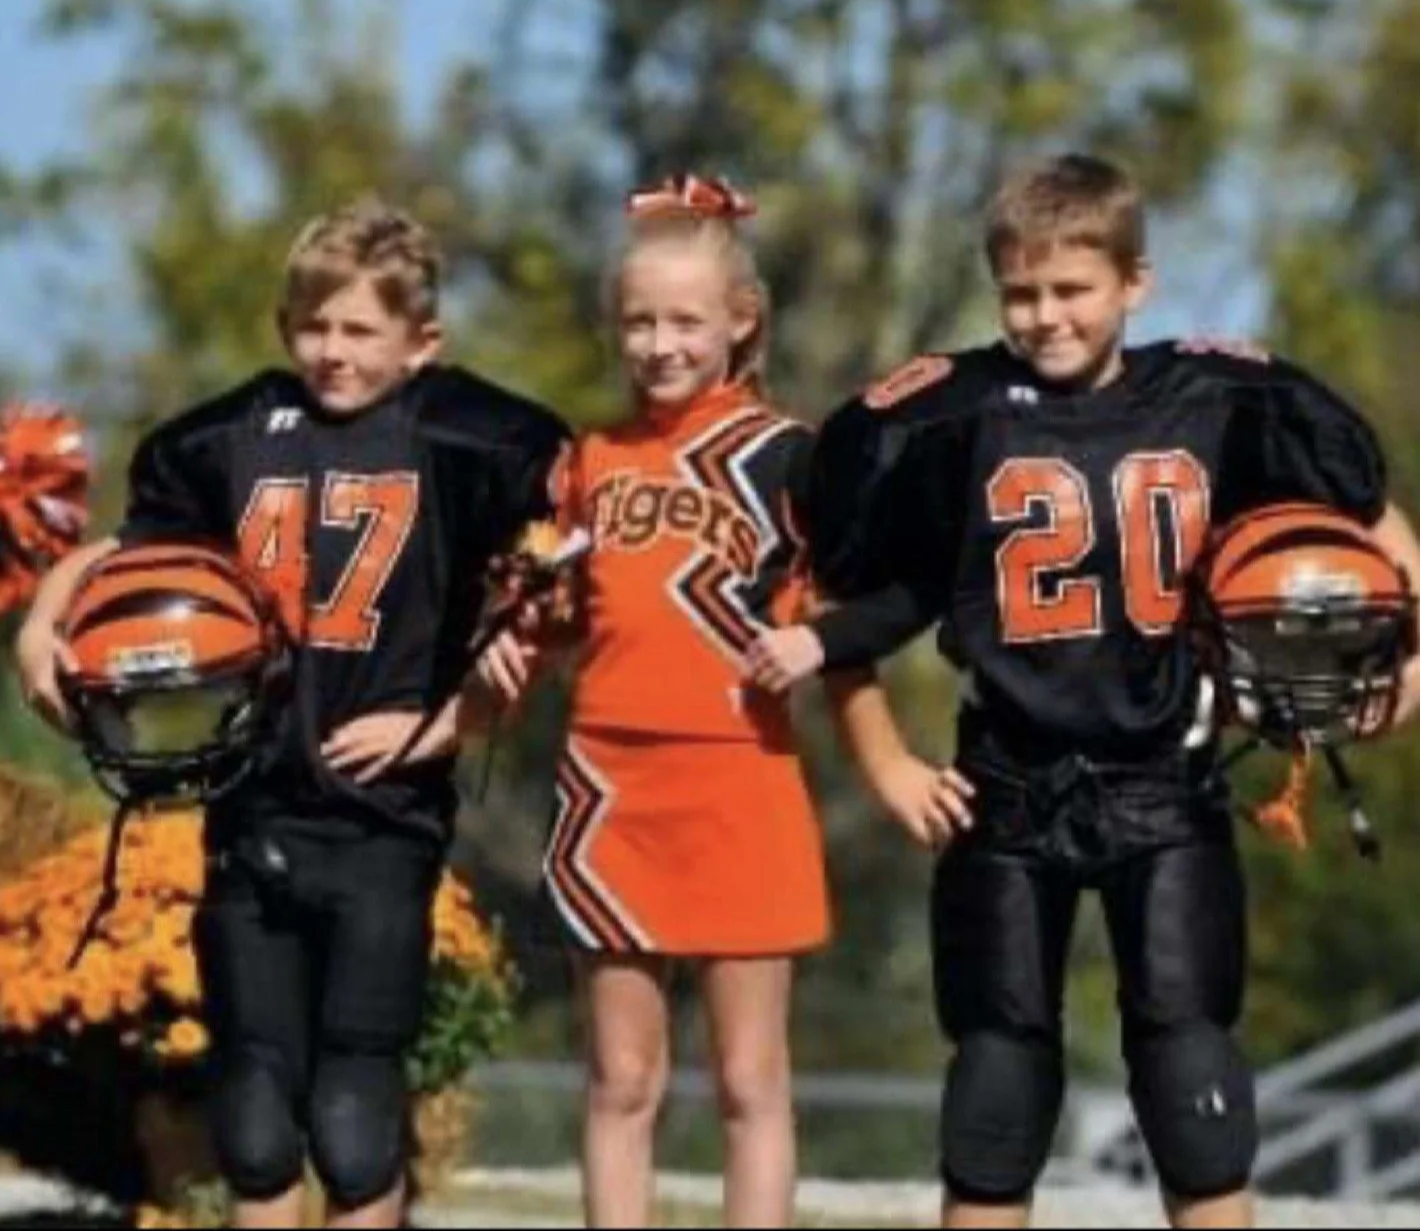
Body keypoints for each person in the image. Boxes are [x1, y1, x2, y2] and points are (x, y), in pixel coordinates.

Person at [744, 153, 1420, 1230]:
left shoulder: (1218, 398)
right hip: (1003, 787)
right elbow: (870, 596)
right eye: (1022, 293)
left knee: (1194, 1076)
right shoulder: (952, 417)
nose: (1046, 316)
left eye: (1072, 290)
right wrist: (881, 760)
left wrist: (1410, 661)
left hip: (1166, 778)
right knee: (996, 1087)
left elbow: (1370, 517)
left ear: (1133, 284)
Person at [16, 197, 569, 1230]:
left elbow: (559, 583)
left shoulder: (469, 437)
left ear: (423, 341)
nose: (332, 351)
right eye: (314, 326)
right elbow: (136, 551)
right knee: (256, 1113)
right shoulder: (231, 436)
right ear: (285, 327)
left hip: (381, 818)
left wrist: (456, 722)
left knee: (357, 1114)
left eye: (360, 330)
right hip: (252, 801)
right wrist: (44, 616)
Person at [476, 174, 941, 1229]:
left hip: (741, 778)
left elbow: (864, 614)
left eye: (685, 319)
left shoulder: (793, 456)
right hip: (608, 786)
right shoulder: (587, 460)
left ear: (741, 321)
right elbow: (560, 613)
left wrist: (819, 652)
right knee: (622, 1077)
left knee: (747, 1077)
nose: (659, 342)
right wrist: (513, 644)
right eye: (637, 320)